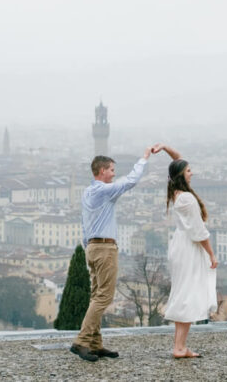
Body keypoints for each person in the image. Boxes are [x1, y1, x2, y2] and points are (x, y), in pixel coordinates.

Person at [70, 145, 156, 362]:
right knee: (104, 297)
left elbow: (85, 222)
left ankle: (95, 344)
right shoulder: (102, 190)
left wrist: (88, 245)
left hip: (92, 247)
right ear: (101, 171)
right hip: (104, 248)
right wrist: (143, 158)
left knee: (96, 296)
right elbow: (130, 182)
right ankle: (81, 341)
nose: (113, 173)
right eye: (111, 170)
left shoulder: (88, 192)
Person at [158, 143, 217, 359]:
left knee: (186, 293)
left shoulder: (176, 192)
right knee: (187, 295)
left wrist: (165, 148)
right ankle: (179, 347)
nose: (193, 172)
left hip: (181, 245)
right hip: (189, 248)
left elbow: (178, 160)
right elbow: (199, 231)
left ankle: (180, 346)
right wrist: (211, 253)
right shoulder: (187, 198)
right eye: (189, 170)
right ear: (182, 175)